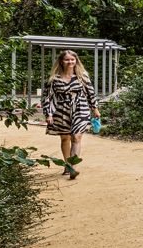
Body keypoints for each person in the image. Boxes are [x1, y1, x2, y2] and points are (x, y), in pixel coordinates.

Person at [42, 49, 100, 179]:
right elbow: (47, 97)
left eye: (72, 59)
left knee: (76, 137)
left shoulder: (82, 75)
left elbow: (91, 92)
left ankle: (73, 168)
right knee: (65, 138)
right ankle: (67, 165)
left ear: (76, 60)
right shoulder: (53, 78)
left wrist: (95, 108)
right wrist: (48, 114)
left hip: (80, 107)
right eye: (67, 59)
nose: (70, 62)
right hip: (61, 110)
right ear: (61, 61)